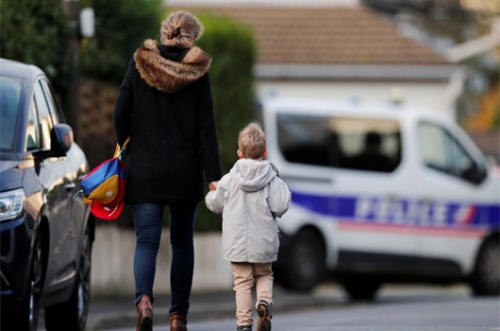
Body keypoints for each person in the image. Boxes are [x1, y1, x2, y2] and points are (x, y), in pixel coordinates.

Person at [112, 11, 222, 331]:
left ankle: (144, 302)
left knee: (146, 242)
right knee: (182, 243)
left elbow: (120, 112)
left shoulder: (139, 63)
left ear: (164, 33)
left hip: (144, 168)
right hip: (184, 171)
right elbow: (206, 129)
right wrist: (213, 174)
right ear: (192, 37)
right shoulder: (198, 73)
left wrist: (129, 145)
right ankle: (178, 316)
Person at [205, 123, 292, 331]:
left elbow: (215, 204)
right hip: (263, 241)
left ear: (239, 153)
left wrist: (211, 193)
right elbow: (281, 206)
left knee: (242, 283)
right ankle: (264, 302)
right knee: (264, 275)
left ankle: (244, 324)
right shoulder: (272, 179)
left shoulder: (228, 180)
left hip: (237, 244)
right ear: (265, 152)